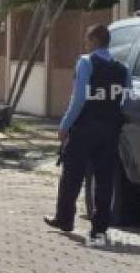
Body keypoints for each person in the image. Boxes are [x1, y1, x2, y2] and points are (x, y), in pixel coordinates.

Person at [44, 24, 131, 240]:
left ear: (93, 40)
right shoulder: (124, 69)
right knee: (104, 178)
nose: (85, 43)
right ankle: (99, 227)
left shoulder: (86, 62)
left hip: (84, 127)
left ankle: (65, 218)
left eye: (87, 39)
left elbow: (79, 98)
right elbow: (128, 100)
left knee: (72, 174)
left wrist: (64, 126)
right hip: (109, 130)